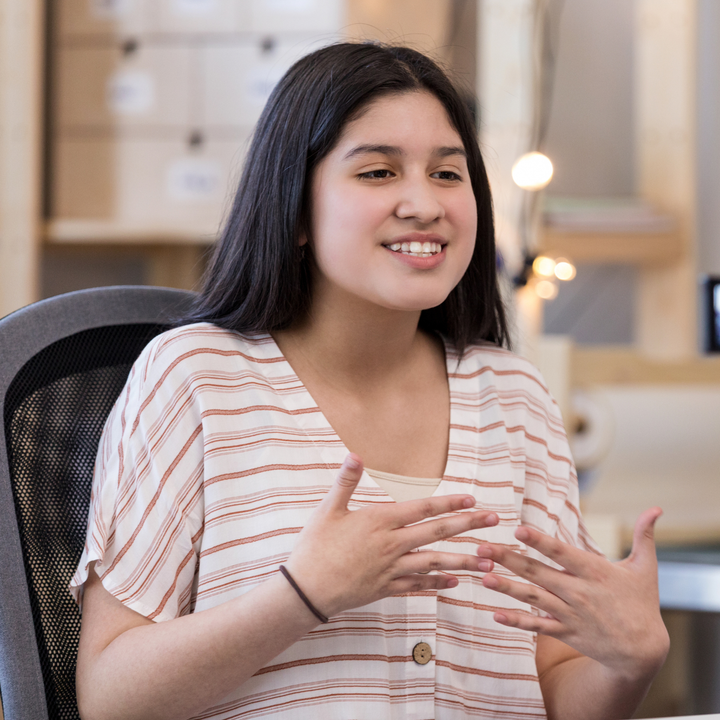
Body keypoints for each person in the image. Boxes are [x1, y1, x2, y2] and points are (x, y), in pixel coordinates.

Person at [70, 43, 669, 720]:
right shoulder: (194, 379)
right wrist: (301, 595)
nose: (424, 203)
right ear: (296, 211)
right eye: (379, 172)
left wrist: (628, 663)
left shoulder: (516, 398)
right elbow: (109, 698)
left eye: (448, 173)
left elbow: (557, 688)